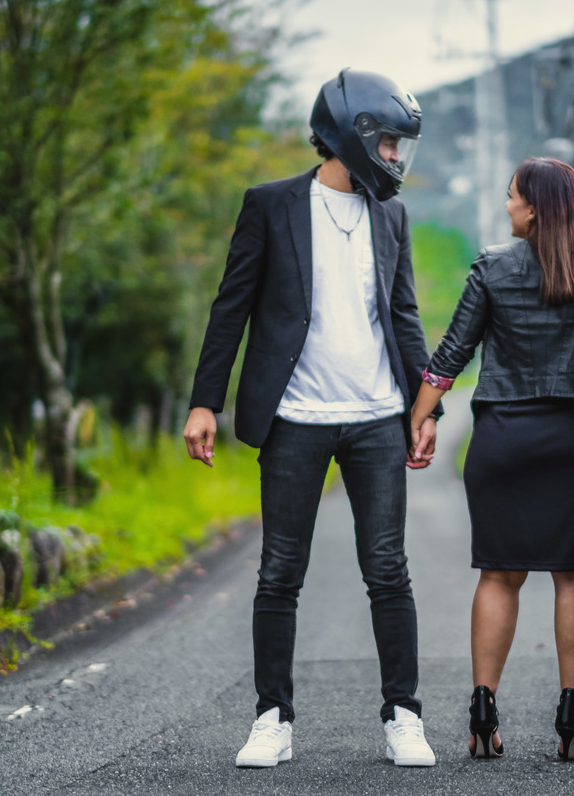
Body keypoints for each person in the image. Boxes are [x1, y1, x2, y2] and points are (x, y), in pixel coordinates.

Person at [183, 68, 440, 769]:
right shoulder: (270, 205)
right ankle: (272, 718)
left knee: (387, 570)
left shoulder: (391, 215)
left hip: (378, 417)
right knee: (279, 572)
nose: (396, 158)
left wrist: (426, 406)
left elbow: (404, 313)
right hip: (294, 417)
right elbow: (231, 306)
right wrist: (205, 401)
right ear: (352, 136)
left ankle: (404, 716)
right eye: (389, 143)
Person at [408, 157, 574, 763]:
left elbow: (451, 354)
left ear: (535, 209)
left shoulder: (491, 267)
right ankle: (571, 716)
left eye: (512, 196)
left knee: (499, 575)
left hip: (503, 441)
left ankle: (483, 712)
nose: (507, 205)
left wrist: (420, 419)